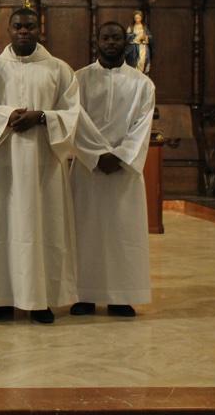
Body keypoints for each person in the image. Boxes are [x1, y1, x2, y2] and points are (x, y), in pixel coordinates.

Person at [0, 7, 80, 324]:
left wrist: (42, 116)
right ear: (8, 30)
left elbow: (73, 114)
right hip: (3, 165)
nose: (24, 30)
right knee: (1, 228)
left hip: (43, 165)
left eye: (30, 26)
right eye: (18, 26)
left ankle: (40, 299)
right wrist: (7, 115)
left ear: (40, 29)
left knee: (42, 227)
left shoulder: (59, 70)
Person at [70, 21, 155, 317]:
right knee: (84, 233)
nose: (110, 42)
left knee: (123, 235)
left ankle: (122, 296)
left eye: (116, 38)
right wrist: (96, 155)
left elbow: (142, 126)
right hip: (87, 168)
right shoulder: (77, 80)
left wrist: (119, 156)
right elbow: (75, 120)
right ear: (96, 41)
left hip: (124, 171)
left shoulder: (142, 83)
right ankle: (84, 295)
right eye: (105, 37)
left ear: (126, 41)